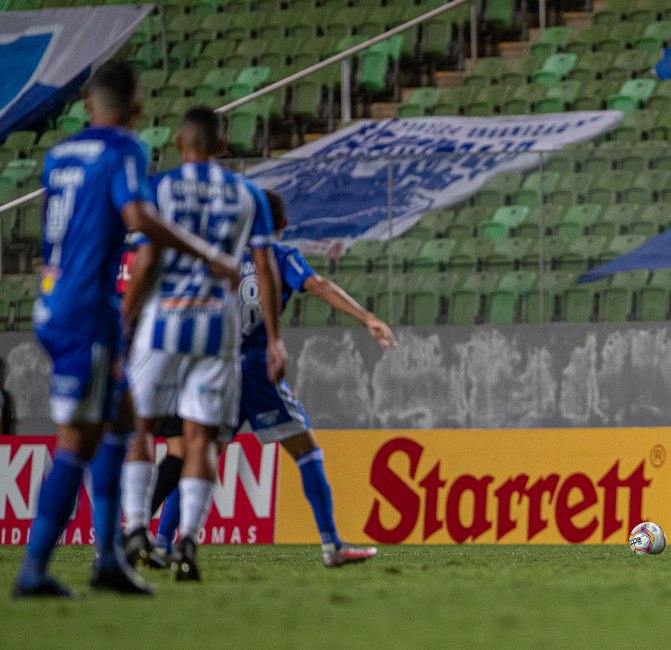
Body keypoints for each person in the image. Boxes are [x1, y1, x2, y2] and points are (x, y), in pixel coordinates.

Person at [12, 62, 240, 599]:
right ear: (138, 110)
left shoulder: (57, 155)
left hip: (55, 300)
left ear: (87, 107)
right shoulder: (126, 150)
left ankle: (111, 556)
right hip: (88, 311)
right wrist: (206, 252)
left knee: (122, 423)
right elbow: (137, 218)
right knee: (76, 443)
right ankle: (34, 570)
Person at [146, 189, 396, 569]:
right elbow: (317, 285)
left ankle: (163, 544)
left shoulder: (219, 257)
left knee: (199, 458)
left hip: (213, 371)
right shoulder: (279, 257)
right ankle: (332, 545)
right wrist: (368, 318)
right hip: (258, 372)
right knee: (307, 450)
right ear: (283, 225)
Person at [120, 106, 286, 582]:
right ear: (222, 144)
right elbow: (266, 269)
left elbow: (147, 259)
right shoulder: (248, 194)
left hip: (164, 320)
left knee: (141, 428)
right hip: (218, 326)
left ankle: (134, 527)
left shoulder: (160, 188)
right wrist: (274, 337)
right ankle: (188, 540)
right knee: (200, 438)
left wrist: (125, 318)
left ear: (178, 142)